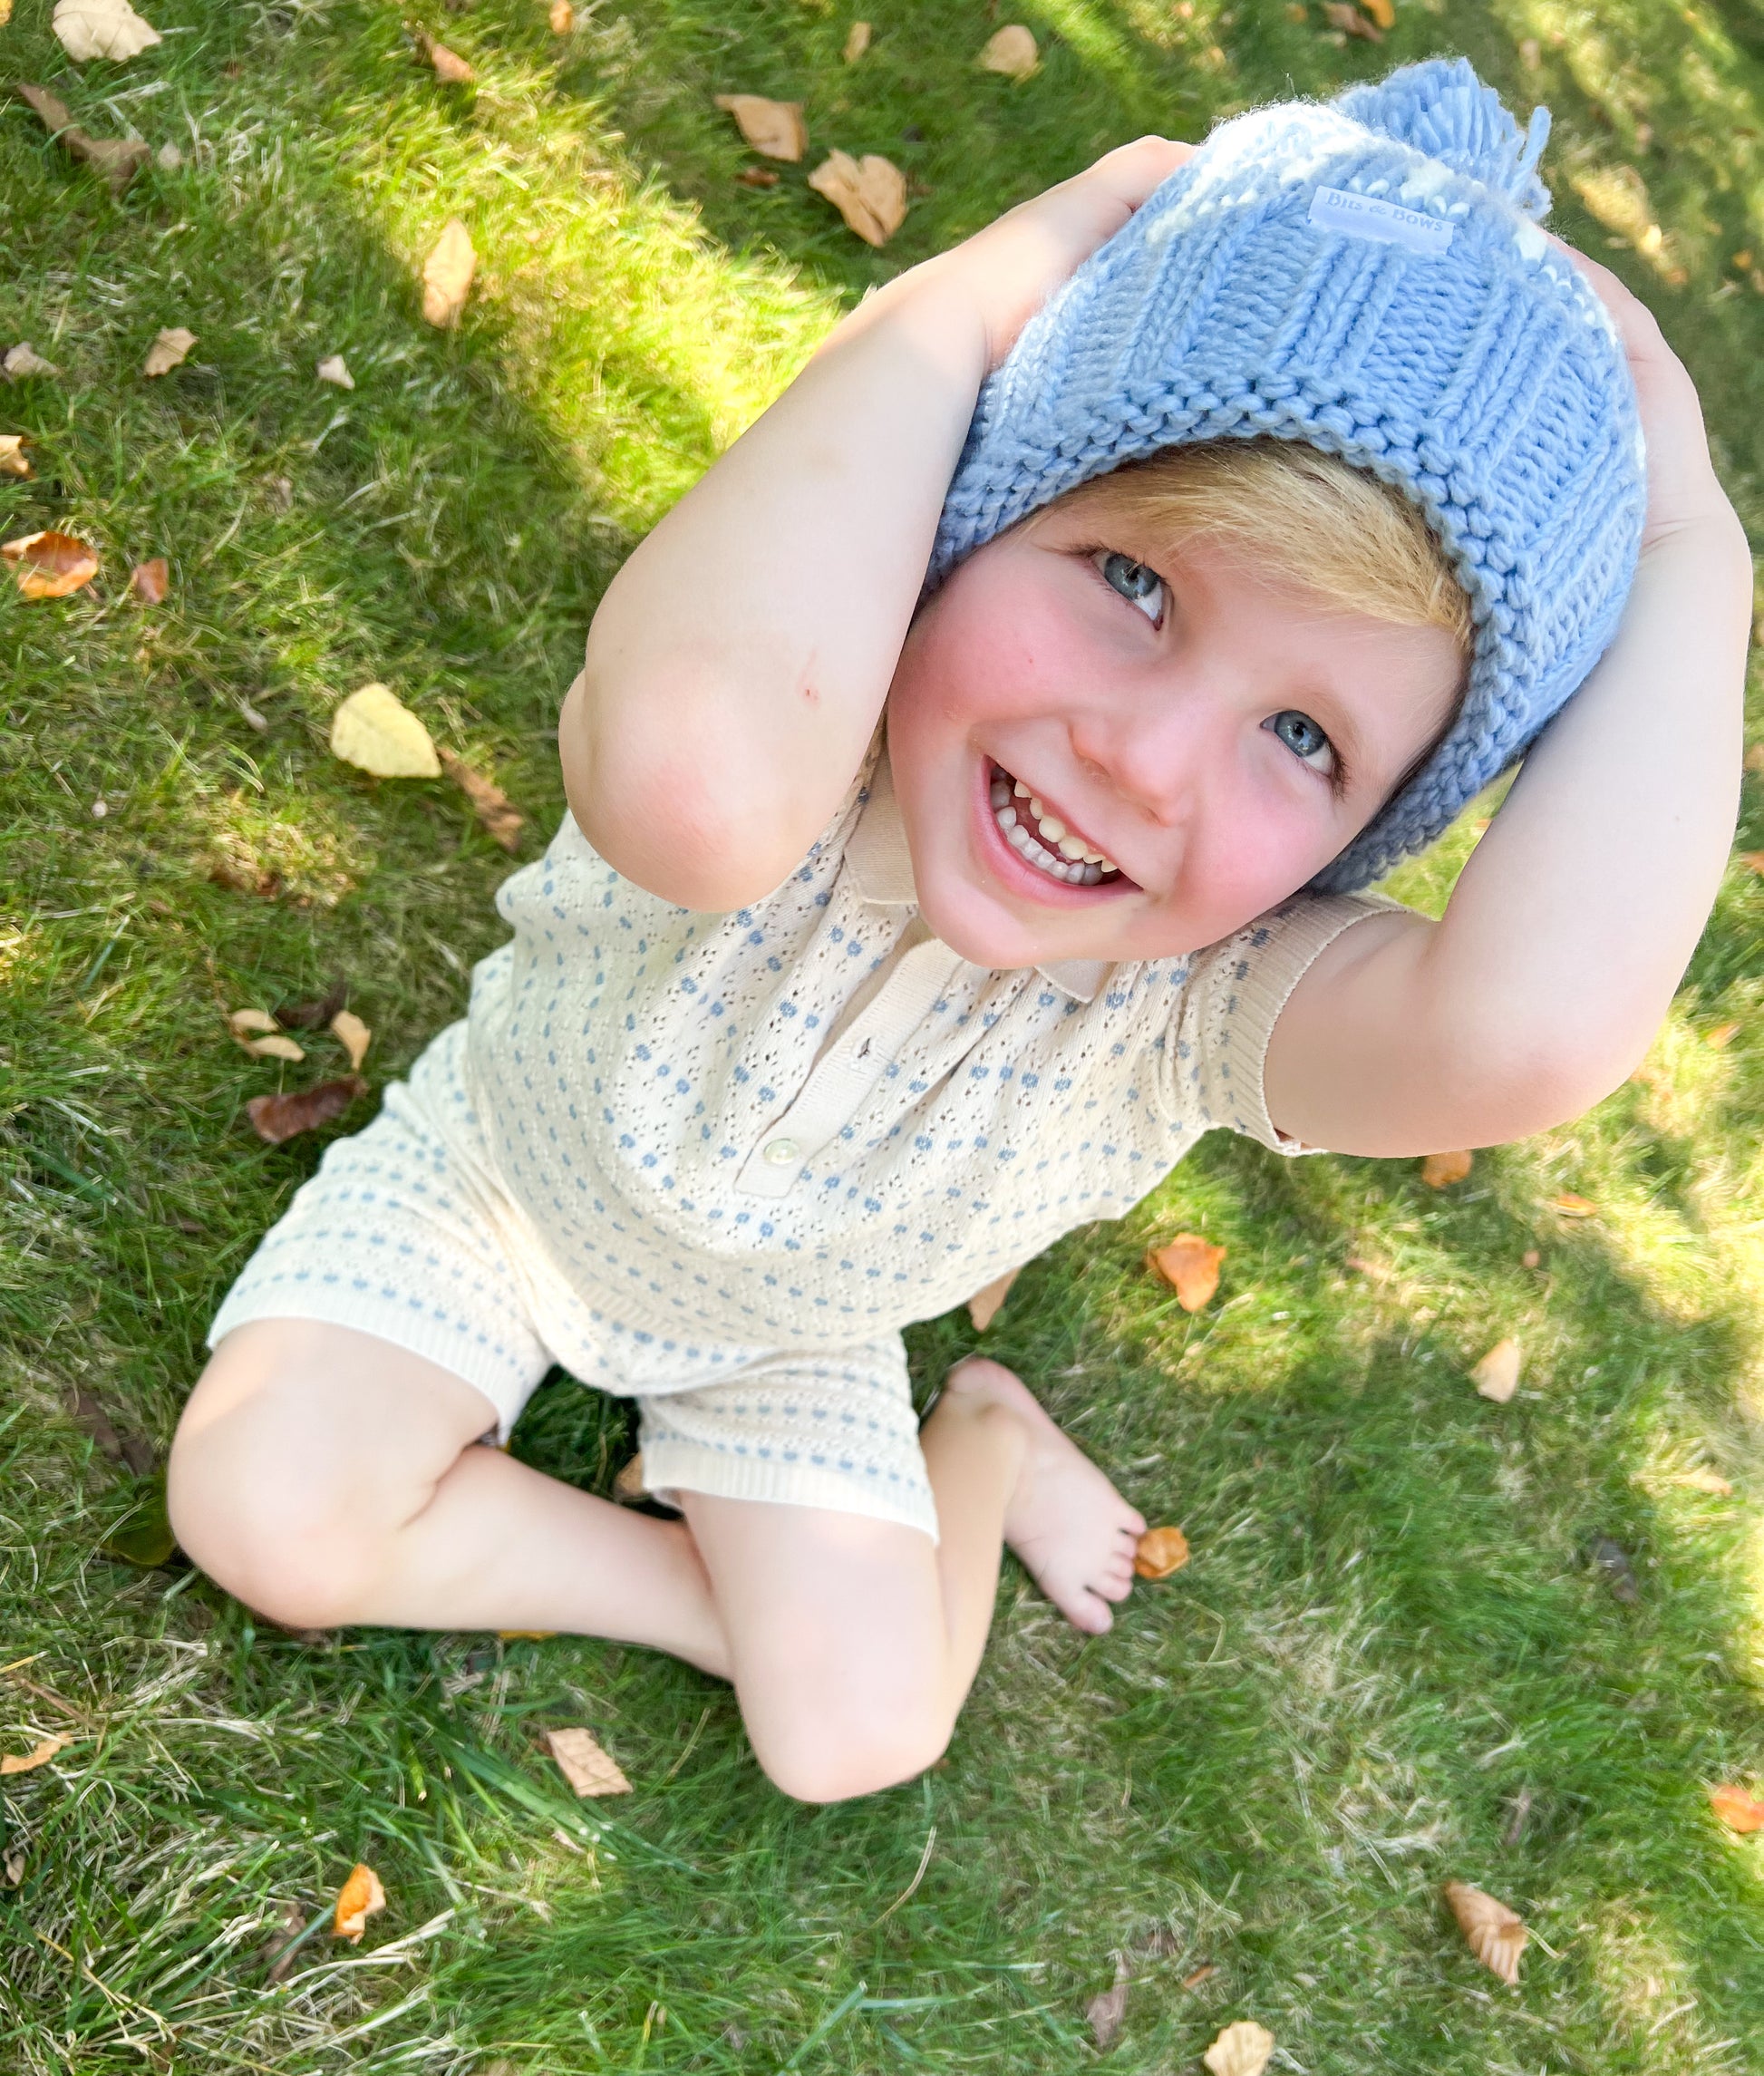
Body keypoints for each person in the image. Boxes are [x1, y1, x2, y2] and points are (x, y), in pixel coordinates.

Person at [167, 59, 1747, 1804]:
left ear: (1359, 836)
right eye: (1132, 584)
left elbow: (1523, 1027)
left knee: (857, 1735)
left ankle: (980, 1430)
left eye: (1303, 740)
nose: (1141, 764)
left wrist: (1690, 547)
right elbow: (683, 784)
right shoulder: (806, 706)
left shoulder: (1203, 996)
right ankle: (713, 1591)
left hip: (792, 1336)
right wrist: (996, 283)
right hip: (500, 1178)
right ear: (979, 510)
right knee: (267, 1509)